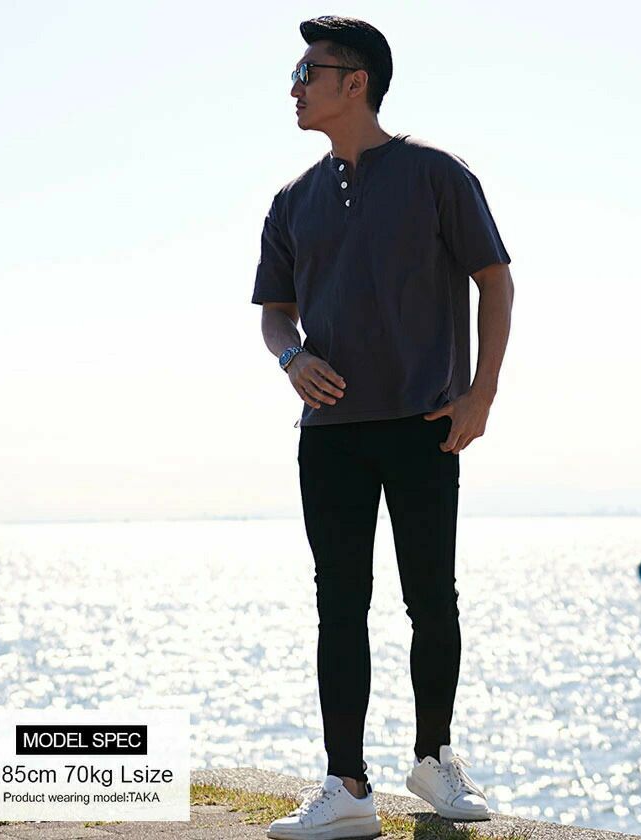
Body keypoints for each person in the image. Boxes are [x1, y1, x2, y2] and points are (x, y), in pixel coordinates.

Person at [253, 15, 514, 840]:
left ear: (355, 81)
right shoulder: (291, 199)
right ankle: (347, 787)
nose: (294, 87)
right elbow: (274, 313)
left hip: (423, 422)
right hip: (329, 433)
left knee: (431, 598)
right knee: (340, 605)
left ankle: (434, 760)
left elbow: (496, 282)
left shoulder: (436, 173)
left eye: (308, 72)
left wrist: (480, 395)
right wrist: (291, 356)